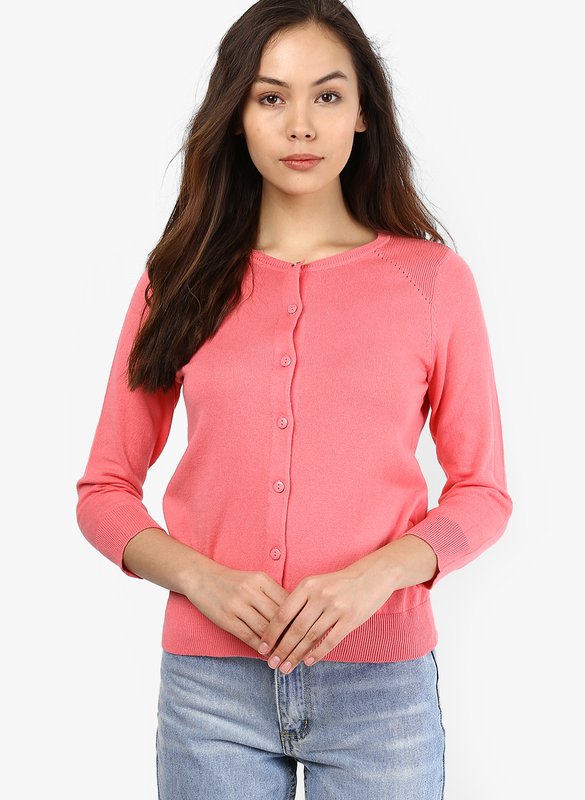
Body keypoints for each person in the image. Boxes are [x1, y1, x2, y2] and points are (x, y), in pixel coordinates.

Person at [75, 1, 513, 797]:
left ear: (363, 114)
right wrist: (199, 578)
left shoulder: (431, 283)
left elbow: (482, 493)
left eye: (328, 95)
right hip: (210, 693)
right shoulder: (176, 282)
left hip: (382, 693)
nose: (301, 125)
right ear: (236, 115)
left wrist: (376, 577)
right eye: (271, 97)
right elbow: (104, 491)